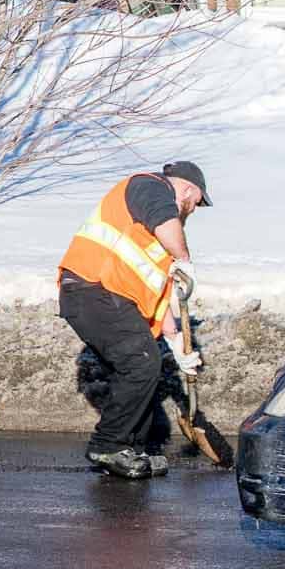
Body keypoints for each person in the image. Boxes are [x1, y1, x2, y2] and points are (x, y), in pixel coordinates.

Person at [57, 161, 210, 480]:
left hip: (107, 297)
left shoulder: (154, 240)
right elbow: (165, 218)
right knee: (141, 362)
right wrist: (184, 259)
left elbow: (160, 299)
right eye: (195, 203)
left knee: (145, 363)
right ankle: (109, 445)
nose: (193, 211)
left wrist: (177, 346)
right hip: (90, 287)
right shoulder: (150, 185)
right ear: (187, 189)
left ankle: (131, 450)